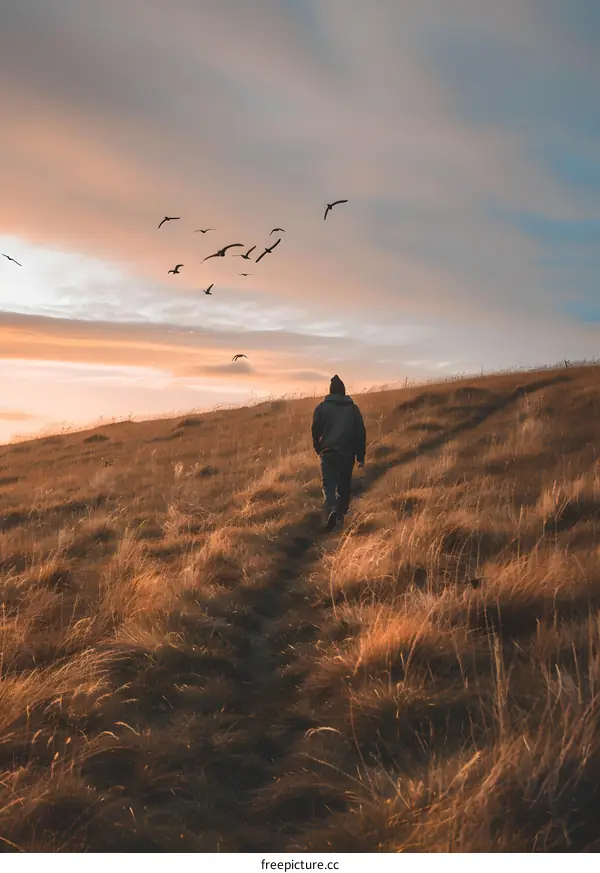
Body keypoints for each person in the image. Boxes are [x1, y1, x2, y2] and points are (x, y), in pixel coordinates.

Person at [311, 375, 367, 531]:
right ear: (343, 392)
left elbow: (315, 431)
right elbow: (360, 433)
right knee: (344, 487)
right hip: (346, 454)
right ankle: (339, 517)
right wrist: (360, 456)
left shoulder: (321, 408)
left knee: (328, 485)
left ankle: (332, 509)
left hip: (327, 453)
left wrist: (318, 448)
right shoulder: (352, 409)